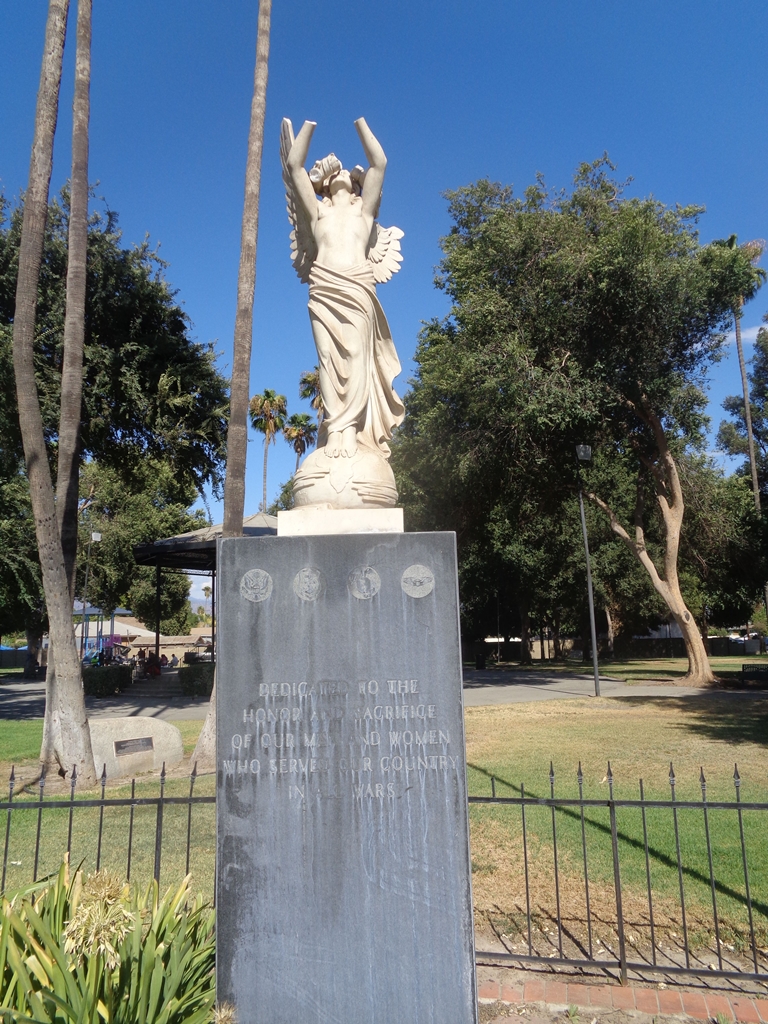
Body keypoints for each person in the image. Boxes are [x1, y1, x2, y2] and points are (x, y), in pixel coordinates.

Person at [282, 117, 404, 462]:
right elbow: (294, 165)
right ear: (323, 186)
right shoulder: (316, 214)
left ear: (355, 187)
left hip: (356, 287)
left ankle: (349, 429)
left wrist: (360, 124)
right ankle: (335, 428)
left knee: (356, 357)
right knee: (327, 360)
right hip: (323, 286)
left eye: (347, 174)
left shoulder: (364, 213)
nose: (340, 173)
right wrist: (308, 126)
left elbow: (379, 163)